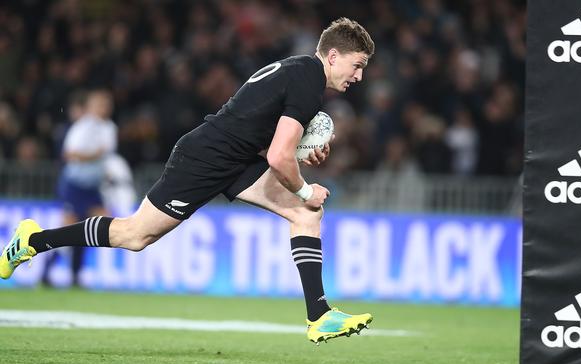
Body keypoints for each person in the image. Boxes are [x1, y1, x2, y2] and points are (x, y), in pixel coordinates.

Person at [1, 18, 375, 345]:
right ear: (333, 56)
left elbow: (263, 137)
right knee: (135, 236)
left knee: (307, 215)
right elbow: (278, 158)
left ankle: (320, 315)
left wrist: (296, 156)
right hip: (205, 157)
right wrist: (305, 187)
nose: (358, 76)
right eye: (357, 65)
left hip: (235, 158)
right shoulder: (309, 81)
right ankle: (32, 241)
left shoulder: (299, 71)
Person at [46, 90, 117, 286]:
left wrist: (103, 170)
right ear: (91, 106)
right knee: (68, 230)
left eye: (107, 104)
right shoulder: (83, 127)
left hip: (92, 188)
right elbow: (69, 154)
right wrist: (94, 156)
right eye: (100, 104)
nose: (105, 108)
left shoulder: (110, 128)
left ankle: (76, 275)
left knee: (93, 226)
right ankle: (46, 271)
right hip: (74, 185)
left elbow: (105, 156)